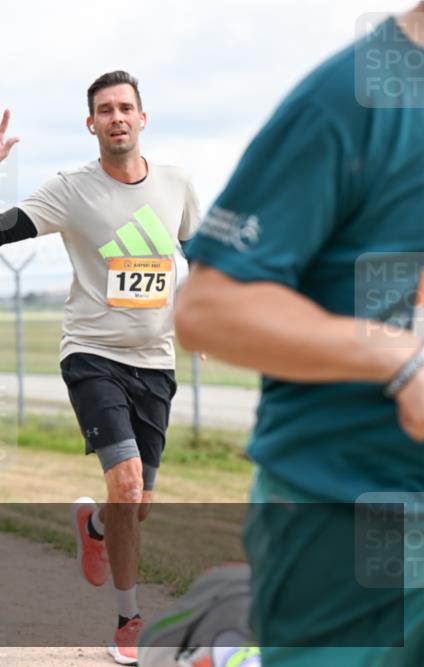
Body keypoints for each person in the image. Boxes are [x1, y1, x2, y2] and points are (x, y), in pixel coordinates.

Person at [175, 5, 424, 666]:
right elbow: (209, 307)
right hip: (347, 517)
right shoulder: (353, 96)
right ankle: (225, 642)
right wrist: (400, 360)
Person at [0, 71, 200, 664]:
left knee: (136, 505)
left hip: (157, 362)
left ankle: (95, 526)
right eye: (105, 109)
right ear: (90, 123)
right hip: (94, 355)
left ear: (142, 118)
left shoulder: (176, 184)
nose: (116, 117)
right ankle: (130, 618)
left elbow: (202, 259)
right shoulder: (72, 188)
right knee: (125, 484)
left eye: (126, 107)